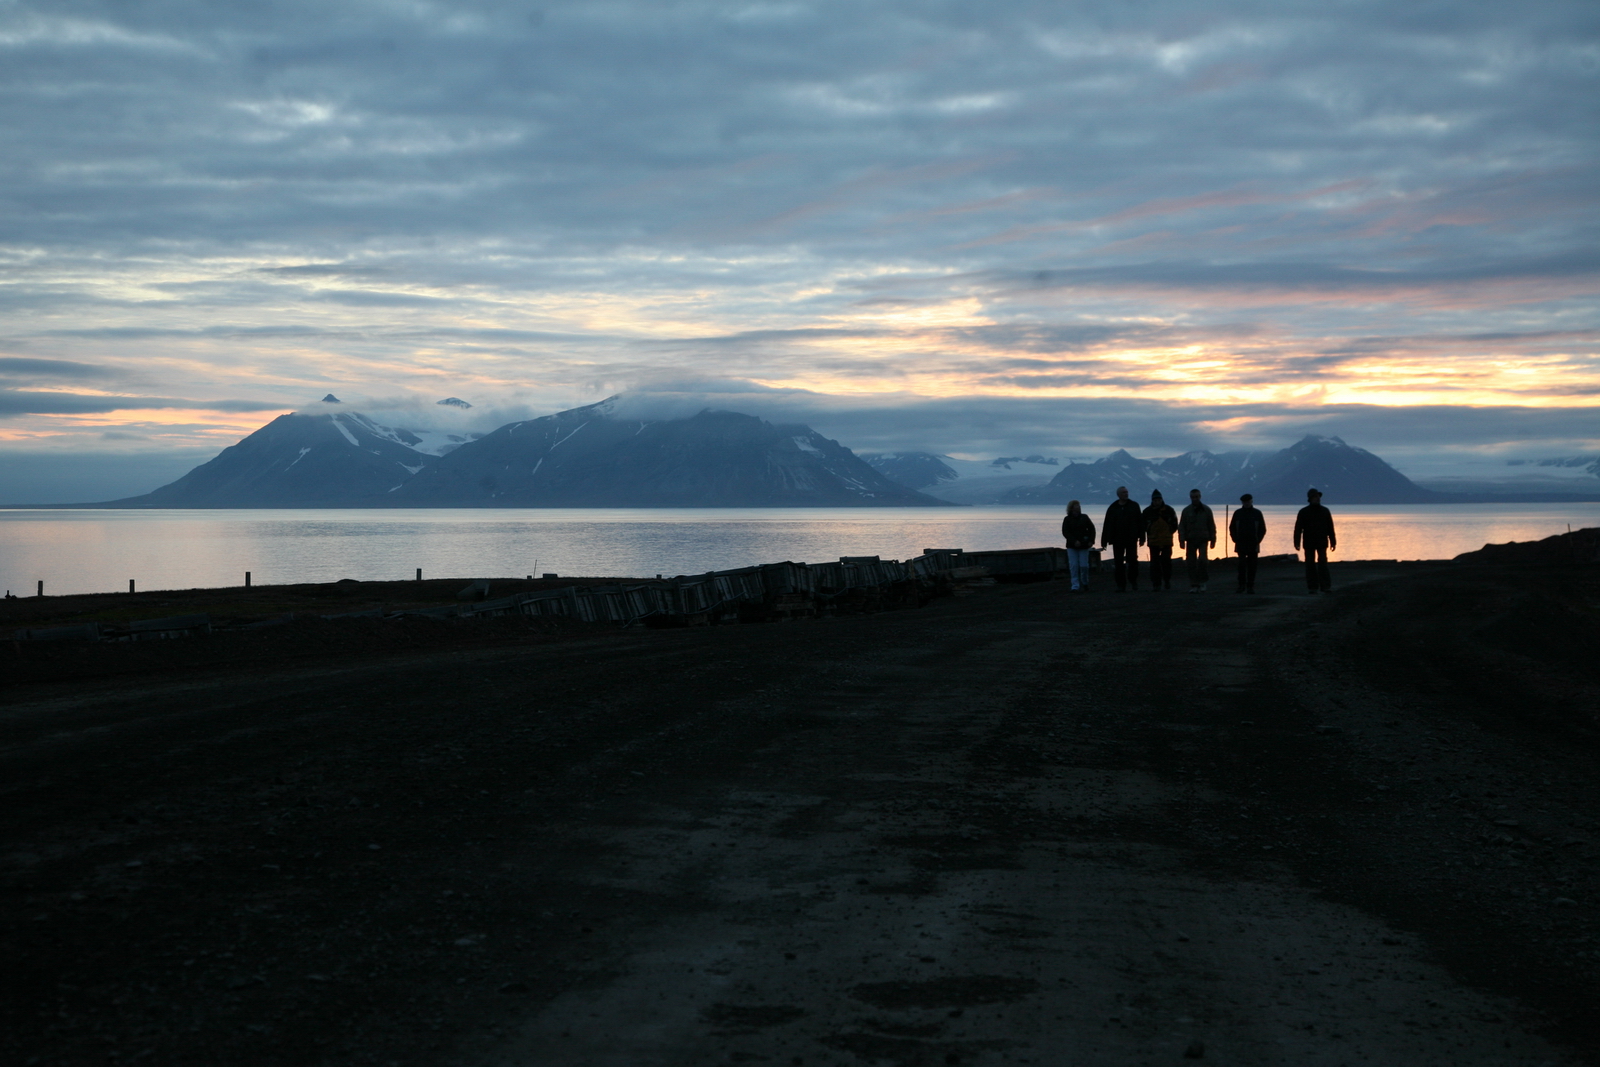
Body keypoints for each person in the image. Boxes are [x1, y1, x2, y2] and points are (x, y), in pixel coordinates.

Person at [1101, 486, 1146, 592]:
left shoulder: (1134, 506)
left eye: (1126, 492)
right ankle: (1121, 585)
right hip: (1117, 540)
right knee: (1118, 563)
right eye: (1123, 492)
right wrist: (1104, 540)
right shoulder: (1113, 508)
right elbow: (1107, 524)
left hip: (1131, 539)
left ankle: (1133, 581)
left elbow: (1140, 522)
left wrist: (1142, 537)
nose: (1126, 494)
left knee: (1133, 561)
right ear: (1118, 494)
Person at [1293, 488, 1337, 594]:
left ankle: (1325, 586)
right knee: (1310, 565)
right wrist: (1296, 542)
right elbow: (1298, 528)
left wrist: (1333, 541)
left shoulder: (1325, 511)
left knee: (1323, 563)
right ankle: (1312, 587)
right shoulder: (1303, 512)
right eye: (1315, 497)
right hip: (1309, 542)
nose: (1317, 499)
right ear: (1310, 499)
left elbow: (1330, 527)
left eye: (1318, 497)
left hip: (1322, 541)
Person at [1178, 488, 1216, 593]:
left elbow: (1211, 525)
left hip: (1203, 539)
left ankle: (1203, 582)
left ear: (1200, 497)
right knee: (1191, 562)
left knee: (1203, 561)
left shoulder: (1207, 510)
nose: (1195, 499)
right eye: (1193, 497)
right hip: (1190, 540)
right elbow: (1182, 526)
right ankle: (1194, 584)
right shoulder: (1186, 511)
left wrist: (1213, 539)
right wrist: (1181, 539)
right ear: (1190, 497)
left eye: (1196, 497)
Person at [1229, 492, 1267, 594]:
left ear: (1251, 501)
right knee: (1241, 566)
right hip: (1240, 543)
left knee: (1252, 566)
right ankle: (1241, 585)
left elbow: (1262, 529)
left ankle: (1250, 586)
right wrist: (1235, 539)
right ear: (1242, 502)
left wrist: (1258, 540)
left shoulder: (1257, 513)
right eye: (1245, 502)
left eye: (1248, 501)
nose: (1246, 503)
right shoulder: (1237, 513)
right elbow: (1232, 527)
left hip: (1253, 544)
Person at [1142, 490, 1178, 591]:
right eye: (1155, 500)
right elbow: (1143, 526)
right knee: (1154, 564)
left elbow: (1175, 524)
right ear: (1152, 501)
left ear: (1162, 499)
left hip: (1166, 541)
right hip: (1153, 542)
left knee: (1166, 563)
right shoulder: (1147, 512)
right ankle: (1156, 584)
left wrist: (1169, 532)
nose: (1157, 502)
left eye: (1158, 500)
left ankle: (1167, 581)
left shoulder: (1169, 510)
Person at [1061, 500, 1096, 593]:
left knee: (1084, 565)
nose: (1078, 507)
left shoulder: (1084, 517)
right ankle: (1075, 585)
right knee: (1074, 565)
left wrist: (1091, 540)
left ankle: (1085, 582)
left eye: (1079, 506)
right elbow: (1065, 532)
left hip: (1083, 545)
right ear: (1071, 508)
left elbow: (1092, 529)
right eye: (1076, 506)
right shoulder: (1067, 519)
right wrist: (1074, 541)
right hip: (1072, 546)